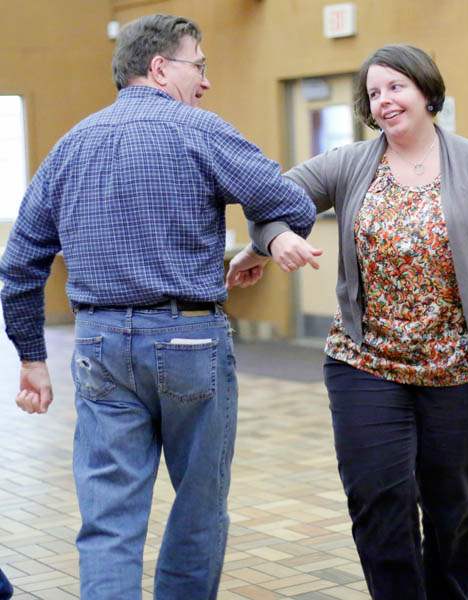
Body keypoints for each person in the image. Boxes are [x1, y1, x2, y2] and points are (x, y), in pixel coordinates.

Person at [227, 44, 468, 599]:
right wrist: (273, 239)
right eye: (374, 93)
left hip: (464, 366)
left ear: (427, 91)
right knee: (377, 500)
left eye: (396, 86)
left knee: (451, 510)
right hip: (366, 360)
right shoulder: (350, 163)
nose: (384, 100)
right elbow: (268, 200)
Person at [0, 14, 321, 600]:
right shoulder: (200, 131)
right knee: (199, 507)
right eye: (199, 65)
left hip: (97, 344)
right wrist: (266, 240)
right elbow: (293, 204)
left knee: (108, 520)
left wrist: (32, 358)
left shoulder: (71, 145)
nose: (206, 81)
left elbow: (19, 265)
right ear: (159, 67)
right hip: (189, 340)